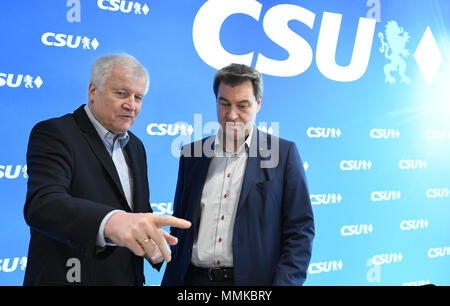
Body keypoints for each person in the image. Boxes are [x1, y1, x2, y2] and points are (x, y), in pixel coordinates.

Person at [23, 54, 190, 285]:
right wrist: (111, 221)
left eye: (138, 97)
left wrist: (153, 245)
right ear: (92, 91)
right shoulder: (55, 133)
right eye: (121, 93)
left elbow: (136, 213)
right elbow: (43, 205)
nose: (131, 105)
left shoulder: (136, 146)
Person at [162, 63, 314, 286]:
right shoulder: (191, 154)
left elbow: (300, 232)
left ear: (258, 103)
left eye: (242, 106)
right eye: (224, 104)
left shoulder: (283, 154)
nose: (231, 115)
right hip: (193, 281)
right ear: (216, 102)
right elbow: (180, 225)